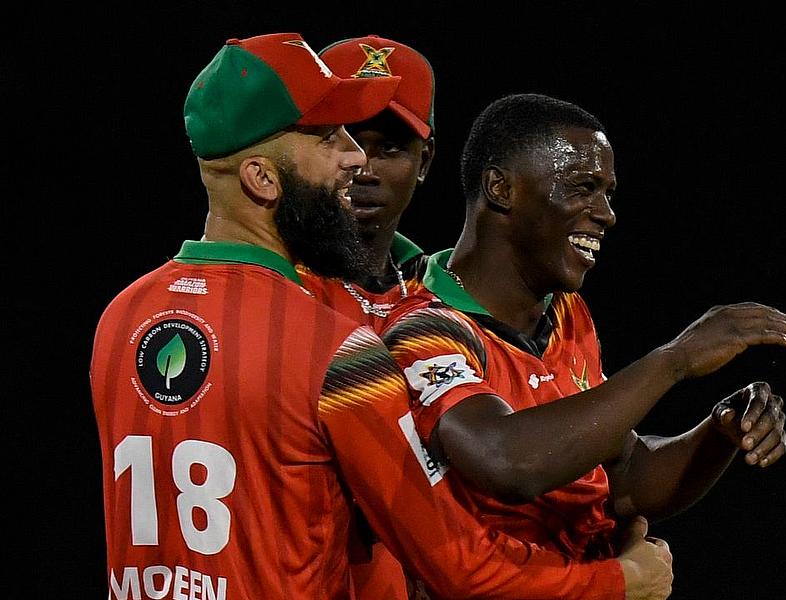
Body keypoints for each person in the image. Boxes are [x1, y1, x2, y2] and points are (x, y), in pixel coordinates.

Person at [90, 34, 673, 600]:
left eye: (380, 143)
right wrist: (620, 583)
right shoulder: (334, 345)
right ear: (262, 178)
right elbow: (460, 563)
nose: (355, 159)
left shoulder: (120, 317)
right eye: (328, 138)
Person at [380, 93, 786, 580]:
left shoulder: (567, 311)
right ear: (501, 188)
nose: (606, 213)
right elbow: (507, 462)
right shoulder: (423, 324)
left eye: (607, 192)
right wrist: (676, 359)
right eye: (583, 187)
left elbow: (622, 476)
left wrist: (718, 433)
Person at [299, 33, 436, 599]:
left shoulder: (447, 301)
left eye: (390, 148)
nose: (363, 165)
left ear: (424, 162)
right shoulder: (274, 298)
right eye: (343, 138)